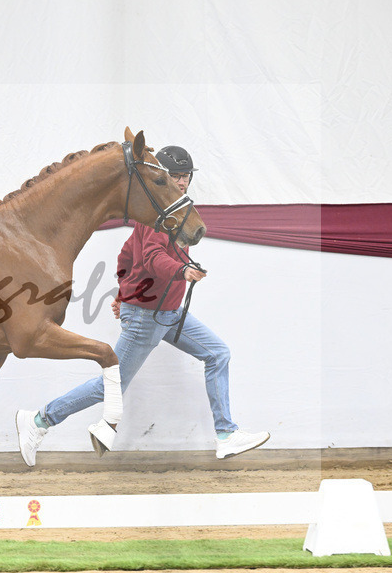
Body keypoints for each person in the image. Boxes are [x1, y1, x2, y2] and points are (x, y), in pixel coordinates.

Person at [15, 145, 270, 465]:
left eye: (185, 176)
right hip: (149, 317)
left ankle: (226, 435)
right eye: (174, 176)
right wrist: (179, 271)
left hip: (167, 313)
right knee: (108, 385)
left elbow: (127, 258)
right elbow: (151, 259)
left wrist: (126, 294)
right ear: (160, 178)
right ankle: (39, 421)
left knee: (217, 353)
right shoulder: (155, 216)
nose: (181, 182)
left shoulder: (171, 213)